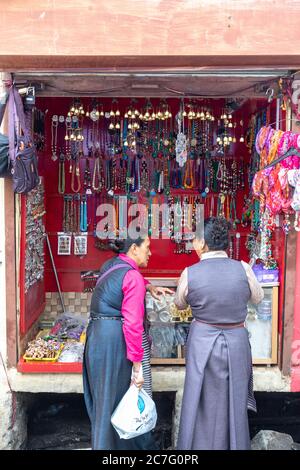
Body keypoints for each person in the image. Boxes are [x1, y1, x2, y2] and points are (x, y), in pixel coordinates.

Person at [175, 217, 264, 450]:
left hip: (202, 341)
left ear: (203, 243)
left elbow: (180, 304)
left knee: (200, 398)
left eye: (195, 239)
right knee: (234, 400)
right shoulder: (243, 268)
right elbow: (258, 298)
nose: (194, 243)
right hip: (236, 341)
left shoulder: (190, 272)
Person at [83, 235, 172, 450]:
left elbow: (121, 281)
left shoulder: (110, 265)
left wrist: (147, 285)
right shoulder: (132, 277)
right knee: (119, 403)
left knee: (105, 403)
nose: (150, 253)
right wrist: (138, 367)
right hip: (114, 341)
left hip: (96, 337)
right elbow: (133, 325)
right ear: (134, 248)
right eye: (147, 248)